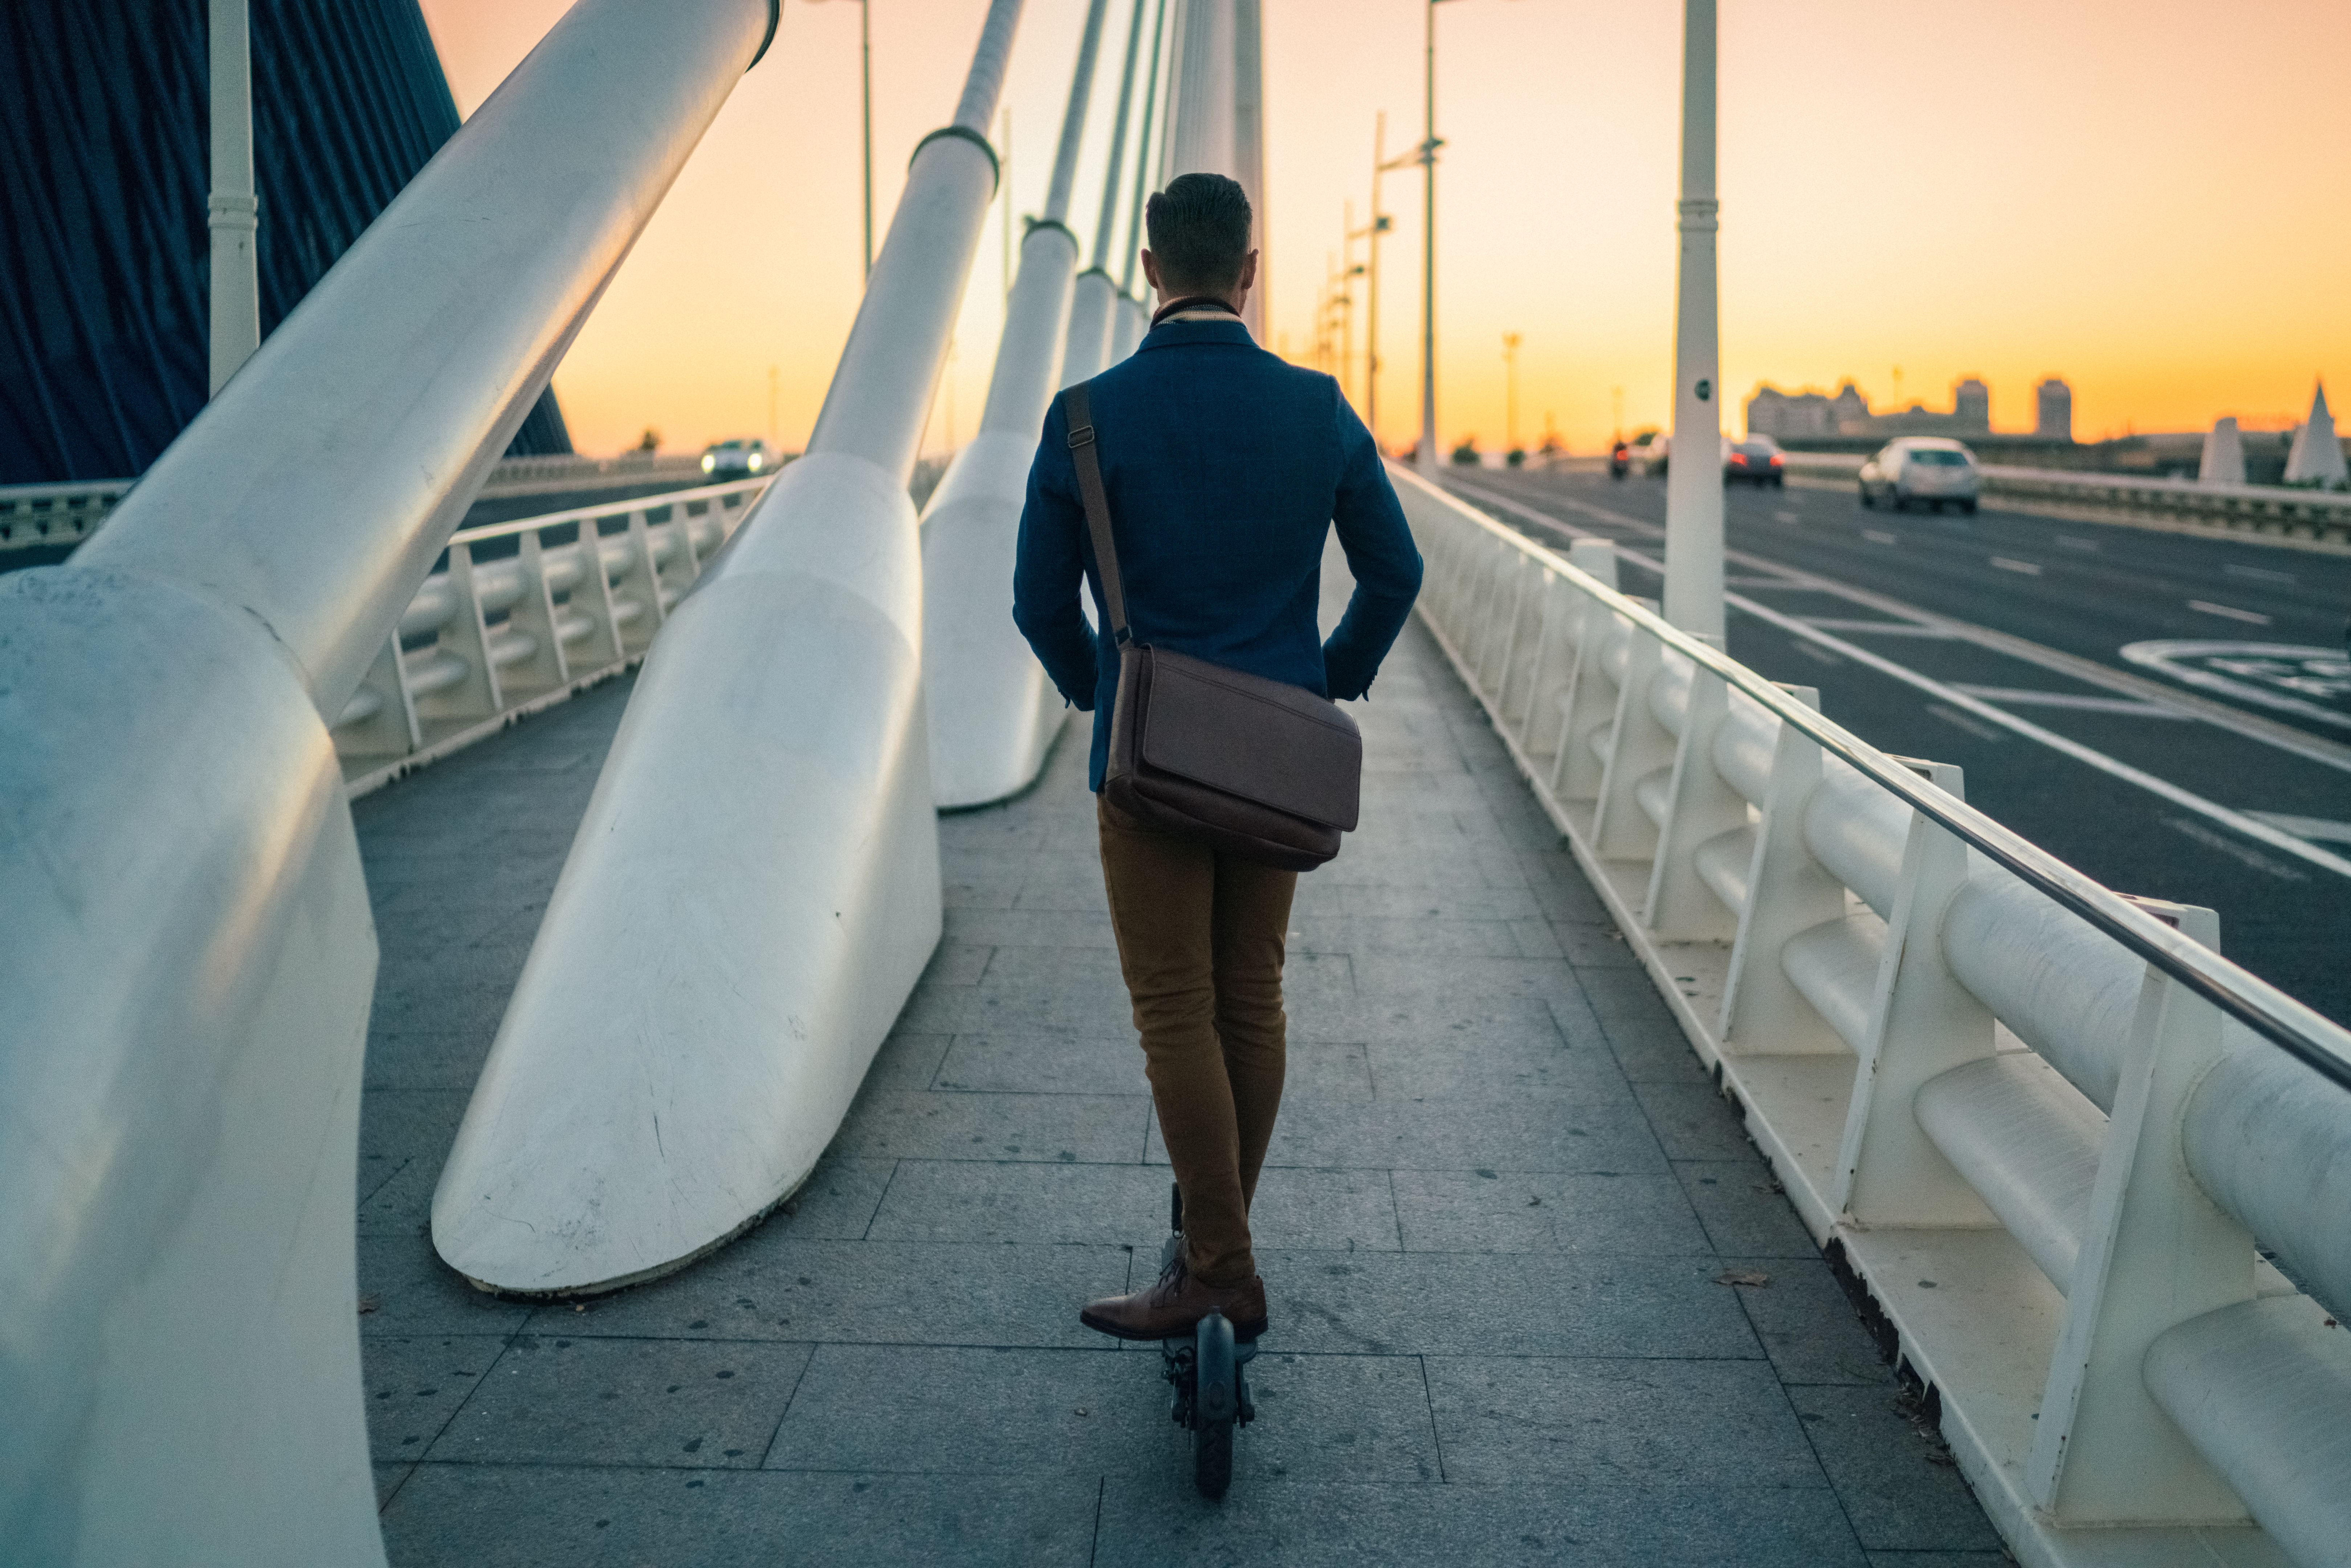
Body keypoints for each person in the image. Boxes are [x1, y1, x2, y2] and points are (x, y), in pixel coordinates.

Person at [1011, 172, 1423, 1343]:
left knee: (1174, 1007)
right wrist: (1328, 673)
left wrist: (1107, 694)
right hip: (1275, 757)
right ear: (1249, 270)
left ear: (1150, 268)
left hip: (1145, 764)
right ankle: (1217, 1251)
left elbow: (1037, 599)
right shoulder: (1316, 408)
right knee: (1250, 994)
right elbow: (1395, 574)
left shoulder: (1087, 415)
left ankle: (1219, 1270)